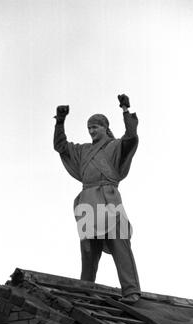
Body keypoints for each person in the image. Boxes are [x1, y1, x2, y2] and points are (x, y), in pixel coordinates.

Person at [53, 94, 141, 304]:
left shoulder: (116, 146)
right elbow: (61, 146)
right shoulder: (83, 150)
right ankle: (85, 291)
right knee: (88, 250)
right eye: (89, 128)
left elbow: (132, 138)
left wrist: (125, 110)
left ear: (105, 127)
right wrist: (60, 121)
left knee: (120, 243)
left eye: (95, 127)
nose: (91, 131)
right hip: (87, 201)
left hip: (109, 198)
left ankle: (131, 291)